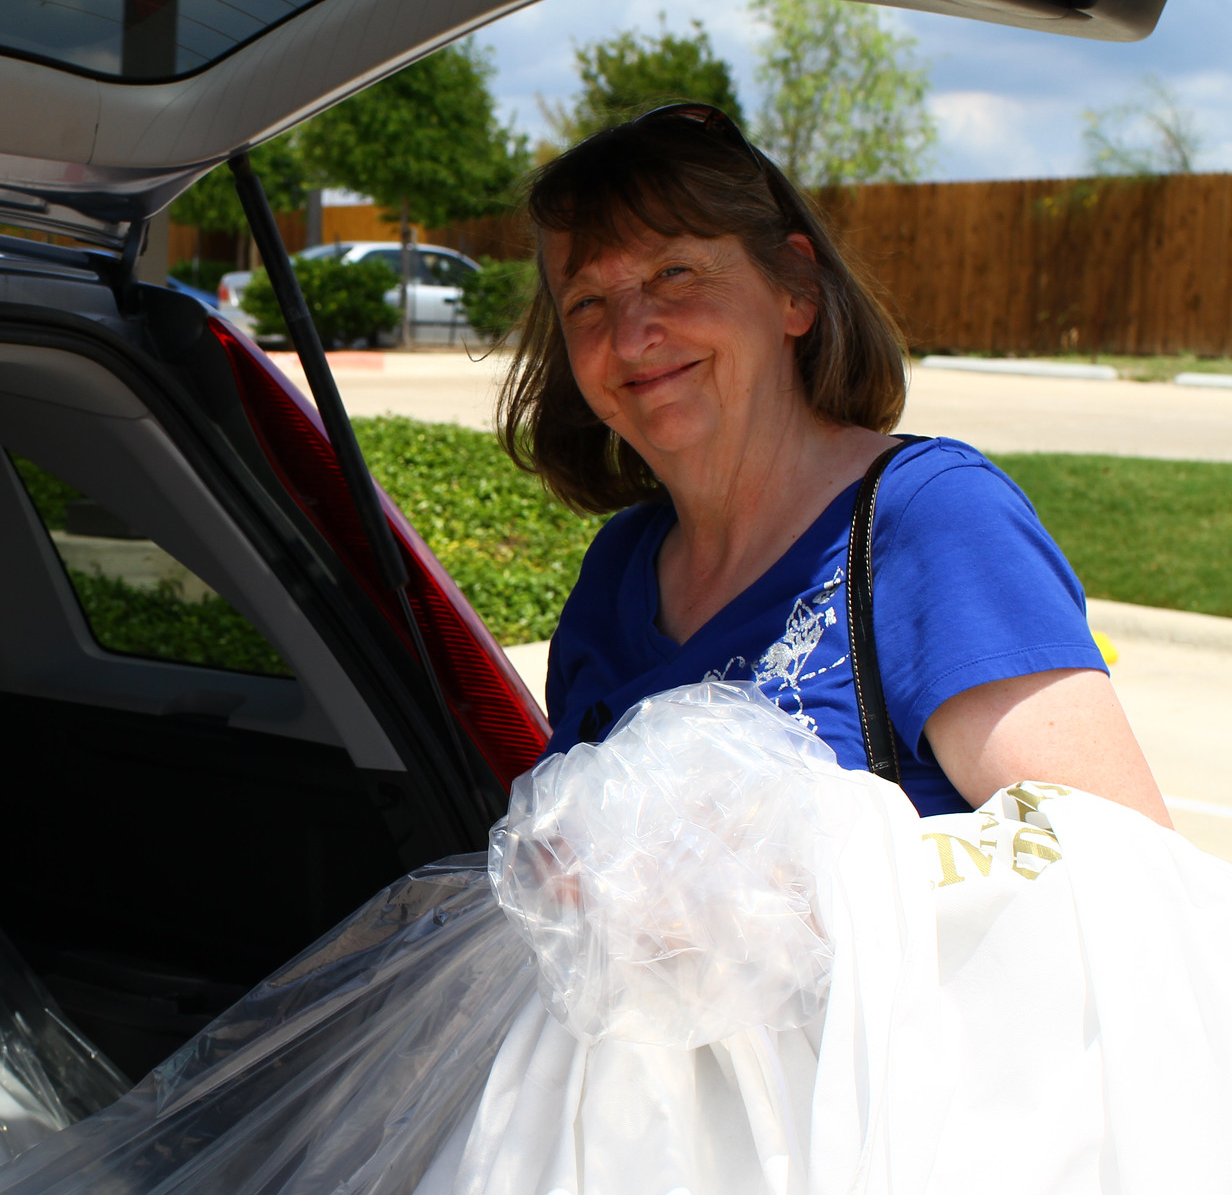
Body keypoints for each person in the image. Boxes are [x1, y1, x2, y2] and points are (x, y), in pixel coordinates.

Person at [500, 103, 1170, 821]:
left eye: (675, 271)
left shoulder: (931, 523)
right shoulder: (613, 576)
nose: (632, 337)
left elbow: (1116, 883)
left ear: (795, 288)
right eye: (589, 302)